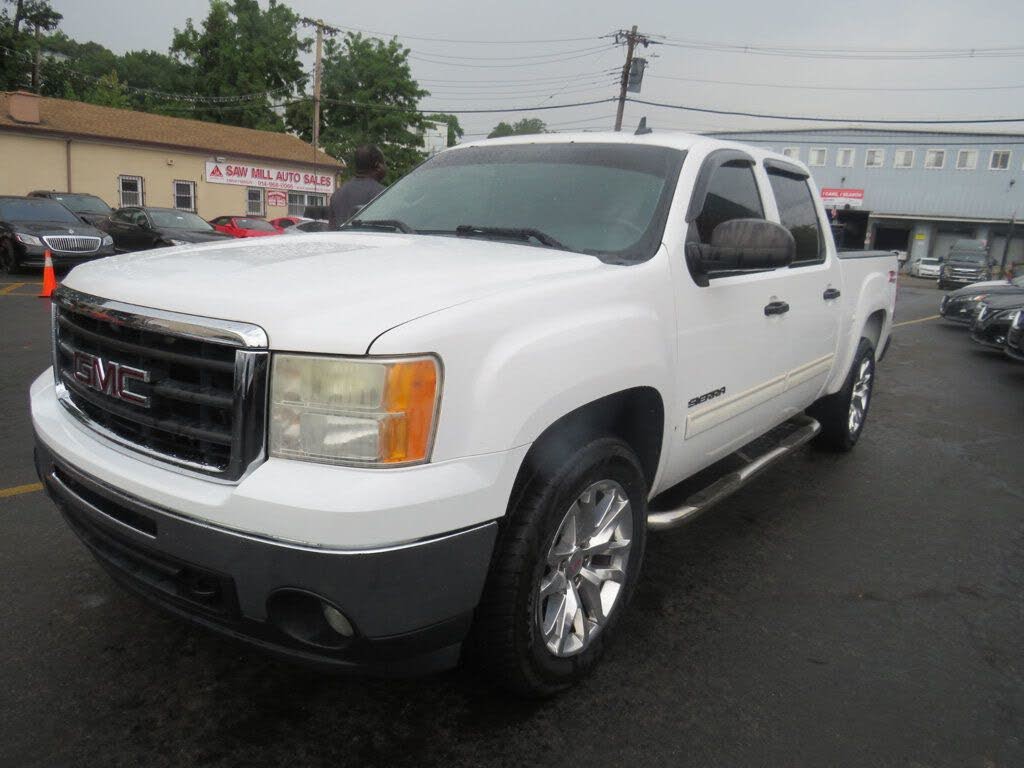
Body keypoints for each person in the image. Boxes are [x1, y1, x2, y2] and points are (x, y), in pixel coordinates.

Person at [329, 145, 387, 229]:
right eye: (384, 163)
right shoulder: (384, 194)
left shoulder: (336, 195)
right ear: (377, 165)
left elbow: (331, 231)